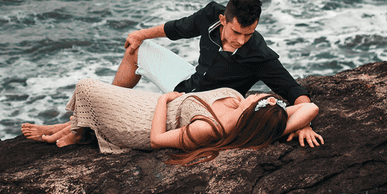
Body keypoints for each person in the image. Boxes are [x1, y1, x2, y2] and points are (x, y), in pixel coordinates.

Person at [117, 0, 322, 146]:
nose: (241, 40)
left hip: (206, 111)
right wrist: (141, 34)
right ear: (223, 19)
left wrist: (304, 124)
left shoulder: (259, 55)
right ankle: (115, 94)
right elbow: (178, 28)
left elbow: (294, 90)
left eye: (248, 34)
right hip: (186, 83)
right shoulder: (210, 15)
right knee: (135, 50)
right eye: (236, 32)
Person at [22, 78, 319, 165]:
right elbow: (310, 108)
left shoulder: (208, 130)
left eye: (260, 99)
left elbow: (155, 141)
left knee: (86, 86)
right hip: (158, 102)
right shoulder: (249, 111)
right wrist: (298, 124)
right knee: (94, 91)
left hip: (148, 119)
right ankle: (75, 130)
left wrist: (163, 99)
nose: (261, 95)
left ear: (251, 113)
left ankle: (77, 132)